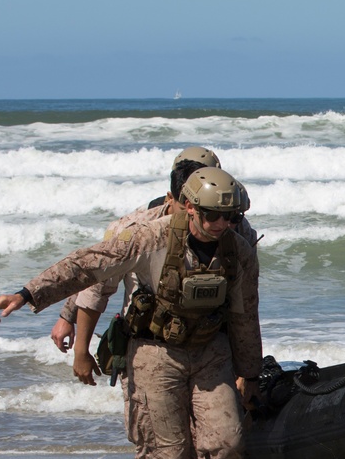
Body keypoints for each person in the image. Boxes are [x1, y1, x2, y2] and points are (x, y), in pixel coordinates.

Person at [0, 166, 261, 459]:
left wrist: (251, 373)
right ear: (189, 208)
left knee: (228, 444)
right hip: (155, 353)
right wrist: (29, 292)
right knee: (167, 457)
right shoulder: (149, 236)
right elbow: (88, 266)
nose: (222, 225)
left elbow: (245, 315)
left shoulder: (236, 248)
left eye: (231, 217)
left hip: (211, 351)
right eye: (212, 216)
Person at [49, 146, 222, 354]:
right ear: (173, 195)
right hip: (148, 341)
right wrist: (67, 318)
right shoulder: (136, 226)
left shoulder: (228, 225)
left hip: (206, 341)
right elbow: (97, 276)